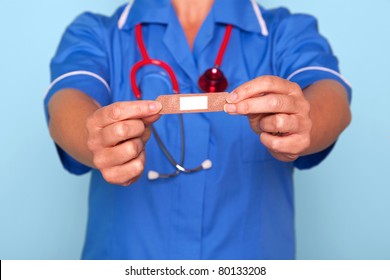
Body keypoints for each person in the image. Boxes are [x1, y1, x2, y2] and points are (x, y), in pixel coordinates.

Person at [44, 0, 351, 259]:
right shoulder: (97, 32)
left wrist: (304, 118)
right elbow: (68, 101)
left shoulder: (286, 31)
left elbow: (329, 94)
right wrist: (94, 138)